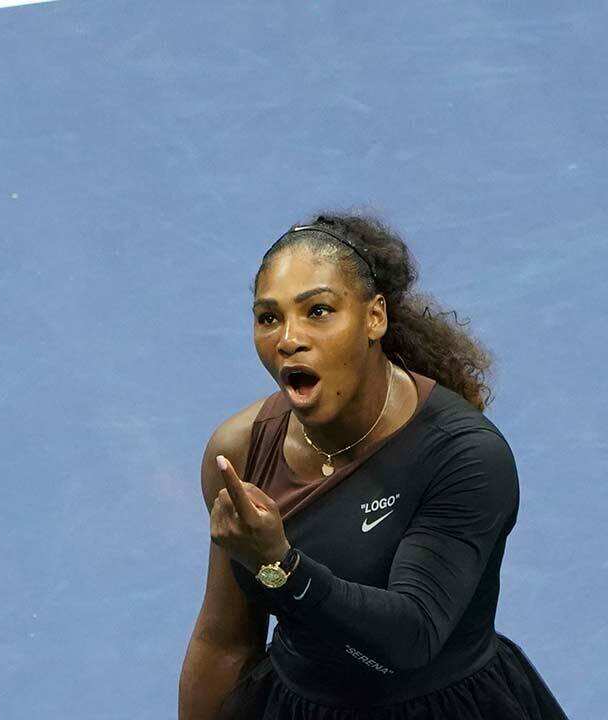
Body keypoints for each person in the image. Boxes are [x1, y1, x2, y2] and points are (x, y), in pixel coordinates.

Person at [177, 215, 566, 719]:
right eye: (268, 318)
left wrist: (279, 566)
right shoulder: (241, 450)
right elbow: (224, 642)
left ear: (374, 318)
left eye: (318, 311)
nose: (289, 339)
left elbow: (410, 639)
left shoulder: (465, 455)